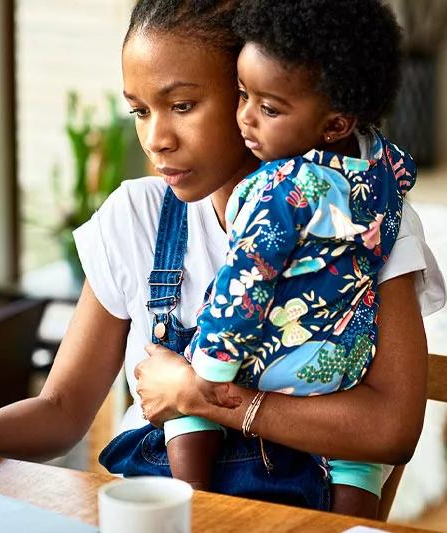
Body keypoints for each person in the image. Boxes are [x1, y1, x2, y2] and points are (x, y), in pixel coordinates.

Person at [0, 0, 444, 520]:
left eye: (182, 105)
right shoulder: (136, 217)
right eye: (140, 110)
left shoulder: (362, 222)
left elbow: (389, 429)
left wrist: (195, 396)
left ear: (251, 86)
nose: (156, 138)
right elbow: (61, 409)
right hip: (149, 507)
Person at [159, 0, 417, 517]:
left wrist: (208, 374)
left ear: (334, 122)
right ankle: (350, 511)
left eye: (269, 109)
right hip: (341, 377)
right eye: (241, 95)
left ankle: (191, 501)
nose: (245, 118)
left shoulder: (279, 188)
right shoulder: (388, 168)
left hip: (267, 368)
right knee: (356, 467)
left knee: (183, 394)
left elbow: (244, 281)